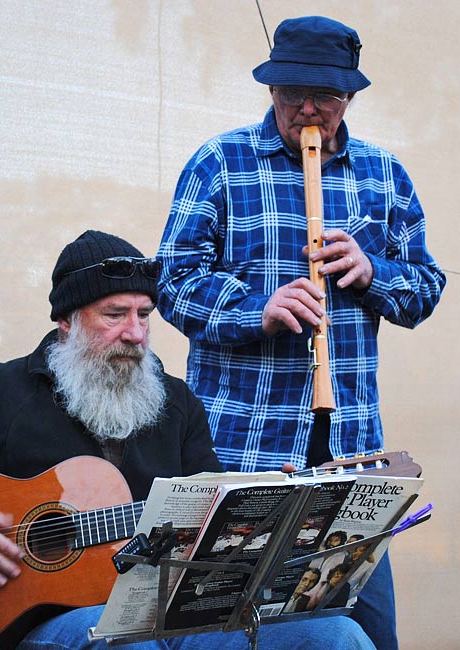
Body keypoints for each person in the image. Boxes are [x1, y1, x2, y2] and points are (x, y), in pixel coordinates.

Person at [0, 229, 375, 650]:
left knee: (337, 636)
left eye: (144, 315)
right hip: (34, 629)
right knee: (116, 637)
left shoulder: (176, 403)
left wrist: (261, 510)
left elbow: (210, 517)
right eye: (114, 315)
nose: (136, 334)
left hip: (166, 618)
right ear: (66, 322)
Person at [156, 15, 446, 650]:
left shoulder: (383, 173)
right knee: (234, 633)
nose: (309, 109)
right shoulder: (218, 163)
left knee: (368, 635)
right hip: (242, 456)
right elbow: (171, 284)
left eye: (327, 96)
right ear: (270, 90)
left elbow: (426, 286)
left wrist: (374, 274)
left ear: (350, 97)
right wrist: (255, 309)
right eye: (293, 93)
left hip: (351, 456)